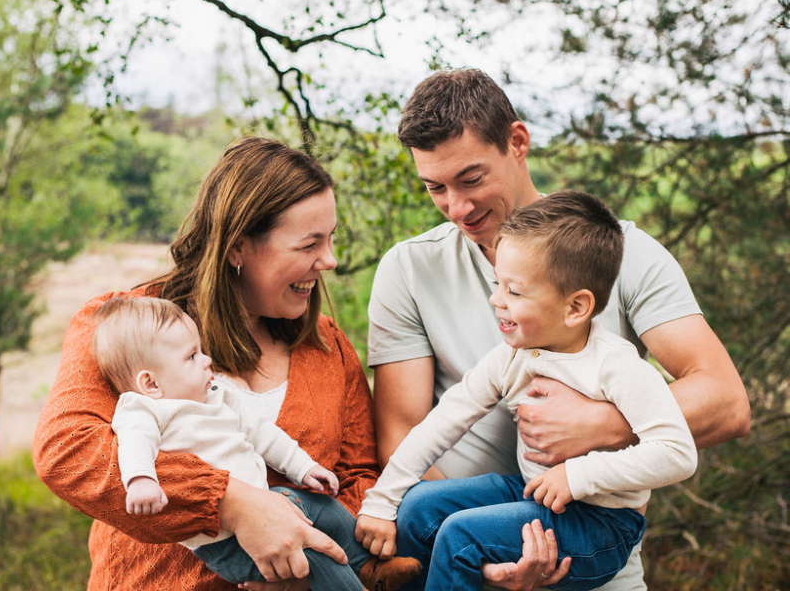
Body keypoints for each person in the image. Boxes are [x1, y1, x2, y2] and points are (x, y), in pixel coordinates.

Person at [368, 68, 750, 590]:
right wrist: (478, 554)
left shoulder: (622, 253)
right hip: (469, 543)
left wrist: (603, 424)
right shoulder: (409, 269)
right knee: (422, 516)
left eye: (472, 179)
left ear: (517, 142)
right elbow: (403, 433)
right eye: (436, 187)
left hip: (588, 536)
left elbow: (727, 401)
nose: (458, 207)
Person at [34, 137, 381, 591]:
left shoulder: (328, 348)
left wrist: (314, 563)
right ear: (237, 248)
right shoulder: (122, 328)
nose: (330, 260)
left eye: (331, 238)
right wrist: (231, 503)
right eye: (308, 244)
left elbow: (356, 476)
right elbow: (68, 451)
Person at [356, 190, 698, 590]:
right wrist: (382, 501)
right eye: (498, 284)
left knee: (459, 537)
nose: (496, 300)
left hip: (602, 525)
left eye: (513, 291)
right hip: (532, 494)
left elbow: (677, 454)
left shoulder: (616, 365)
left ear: (576, 308)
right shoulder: (513, 356)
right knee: (417, 507)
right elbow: (443, 424)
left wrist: (578, 474)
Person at [91, 296, 419, 591]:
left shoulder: (216, 394)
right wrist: (141, 480)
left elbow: (262, 433)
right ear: (150, 383)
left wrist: (304, 467)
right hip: (223, 541)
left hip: (270, 504)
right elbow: (134, 444)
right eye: (191, 357)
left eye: (201, 350)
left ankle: (370, 567)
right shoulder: (143, 409)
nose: (207, 361)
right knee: (311, 556)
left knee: (325, 509)